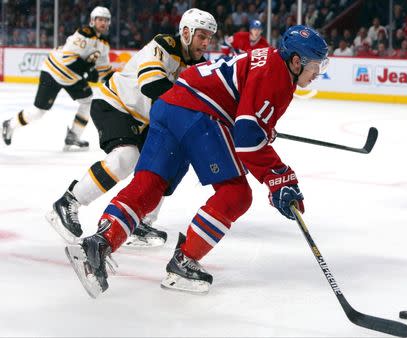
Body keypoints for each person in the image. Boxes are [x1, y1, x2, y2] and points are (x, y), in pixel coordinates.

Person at [64, 25, 328, 298]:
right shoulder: (278, 77)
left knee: (151, 184)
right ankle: (184, 262)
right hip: (197, 112)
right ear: (296, 61)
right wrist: (279, 177)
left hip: (169, 106)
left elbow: (246, 113)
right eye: (315, 66)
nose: (317, 72)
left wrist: (262, 129)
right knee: (236, 194)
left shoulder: (267, 58)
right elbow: (247, 138)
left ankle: (98, 244)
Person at [46, 8, 217, 248]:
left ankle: (140, 221)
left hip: (145, 119)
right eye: (202, 36)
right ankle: (68, 202)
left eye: (210, 37)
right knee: (126, 157)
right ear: (186, 33)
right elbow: (152, 85)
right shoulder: (163, 46)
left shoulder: (200, 66)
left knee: (162, 165)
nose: (206, 42)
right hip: (115, 105)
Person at [2, 6, 113, 151]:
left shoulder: (104, 45)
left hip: (72, 77)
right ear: (93, 21)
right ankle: (10, 124)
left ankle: (73, 135)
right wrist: (88, 72)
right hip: (54, 71)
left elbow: (103, 70)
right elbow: (68, 60)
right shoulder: (83, 34)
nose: (103, 23)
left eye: (106, 20)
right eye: (100, 20)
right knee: (38, 111)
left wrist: (116, 81)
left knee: (88, 101)